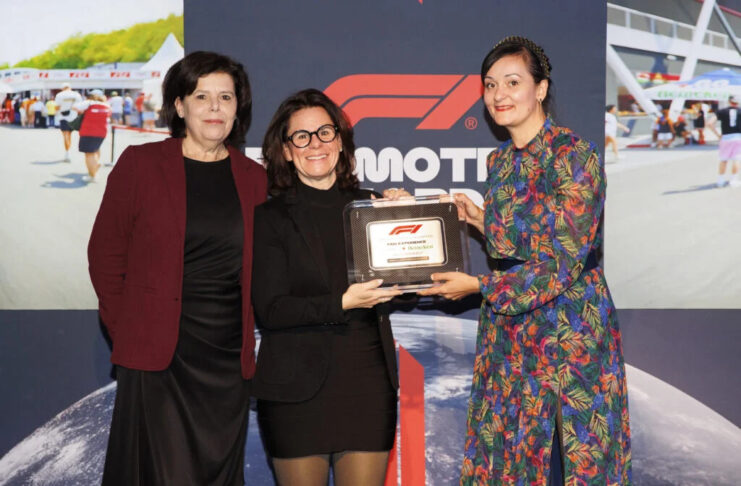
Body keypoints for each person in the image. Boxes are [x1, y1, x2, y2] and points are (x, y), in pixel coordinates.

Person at [417, 36, 632, 484]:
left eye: (512, 82)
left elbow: (563, 259)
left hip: (569, 330)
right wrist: (479, 219)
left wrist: (480, 287)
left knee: (569, 463)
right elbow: (522, 241)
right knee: (510, 460)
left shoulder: (575, 155)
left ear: (541, 88)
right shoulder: (499, 162)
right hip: (511, 335)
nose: (499, 94)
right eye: (490, 84)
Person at [88, 51, 267, 485]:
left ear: (238, 108)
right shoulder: (141, 165)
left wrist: (379, 203)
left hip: (225, 361)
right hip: (157, 356)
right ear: (180, 106)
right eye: (201, 96)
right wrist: (129, 329)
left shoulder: (255, 178)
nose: (215, 107)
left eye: (226, 97)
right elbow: (105, 256)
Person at [251, 88, 402, 486]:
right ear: (286, 151)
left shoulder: (373, 206)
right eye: (301, 136)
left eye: (324, 132)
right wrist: (343, 302)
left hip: (367, 383)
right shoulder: (269, 218)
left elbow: (411, 283)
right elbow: (271, 310)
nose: (315, 144)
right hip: (294, 391)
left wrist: (408, 218)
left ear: (340, 140)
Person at [76, 90, 111, 182]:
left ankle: (93, 175)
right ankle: (95, 164)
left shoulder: (88, 103)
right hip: (102, 132)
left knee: (89, 154)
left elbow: (75, 107)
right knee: (96, 149)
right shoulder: (106, 105)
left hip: (88, 131)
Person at [707, 96, 741, 187]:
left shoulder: (721, 111)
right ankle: (733, 180)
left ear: (729, 101)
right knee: (736, 159)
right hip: (738, 137)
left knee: (723, 159)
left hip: (725, 137)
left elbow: (709, 123)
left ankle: (720, 180)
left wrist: (718, 135)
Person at [55, 83, 83, 161]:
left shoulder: (59, 95)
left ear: (62, 88)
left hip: (63, 117)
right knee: (70, 135)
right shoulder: (77, 95)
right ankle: (68, 152)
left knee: (66, 135)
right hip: (74, 117)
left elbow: (57, 107)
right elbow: (80, 107)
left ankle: (67, 153)